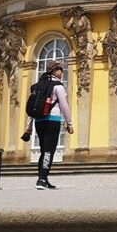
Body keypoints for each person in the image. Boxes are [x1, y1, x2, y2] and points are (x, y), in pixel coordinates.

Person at [23, 61, 73, 190]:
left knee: (44, 150)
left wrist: (29, 126)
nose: (62, 71)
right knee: (49, 151)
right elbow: (64, 106)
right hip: (52, 120)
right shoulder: (58, 86)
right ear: (55, 71)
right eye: (61, 69)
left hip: (39, 121)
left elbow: (33, 109)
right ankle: (42, 180)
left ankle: (42, 178)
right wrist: (69, 123)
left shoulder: (38, 86)